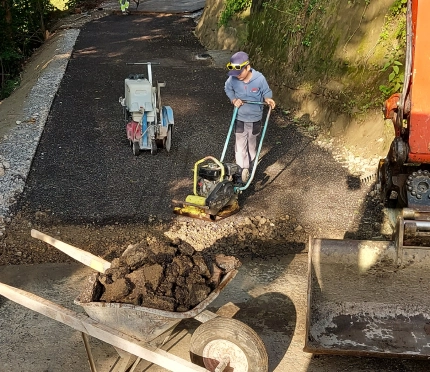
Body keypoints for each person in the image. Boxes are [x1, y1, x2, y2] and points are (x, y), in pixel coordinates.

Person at [224, 51, 276, 184]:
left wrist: (268, 99)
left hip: (255, 119)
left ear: (247, 67)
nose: (237, 76)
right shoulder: (233, 79)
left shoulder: (259, 79)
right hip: (240, 117)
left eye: (239, 73)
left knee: (251, 146)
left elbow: (266, 91)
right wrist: (234, 99)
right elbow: (227, 88)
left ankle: (251, 168)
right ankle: (241, 171)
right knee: (240, 146)